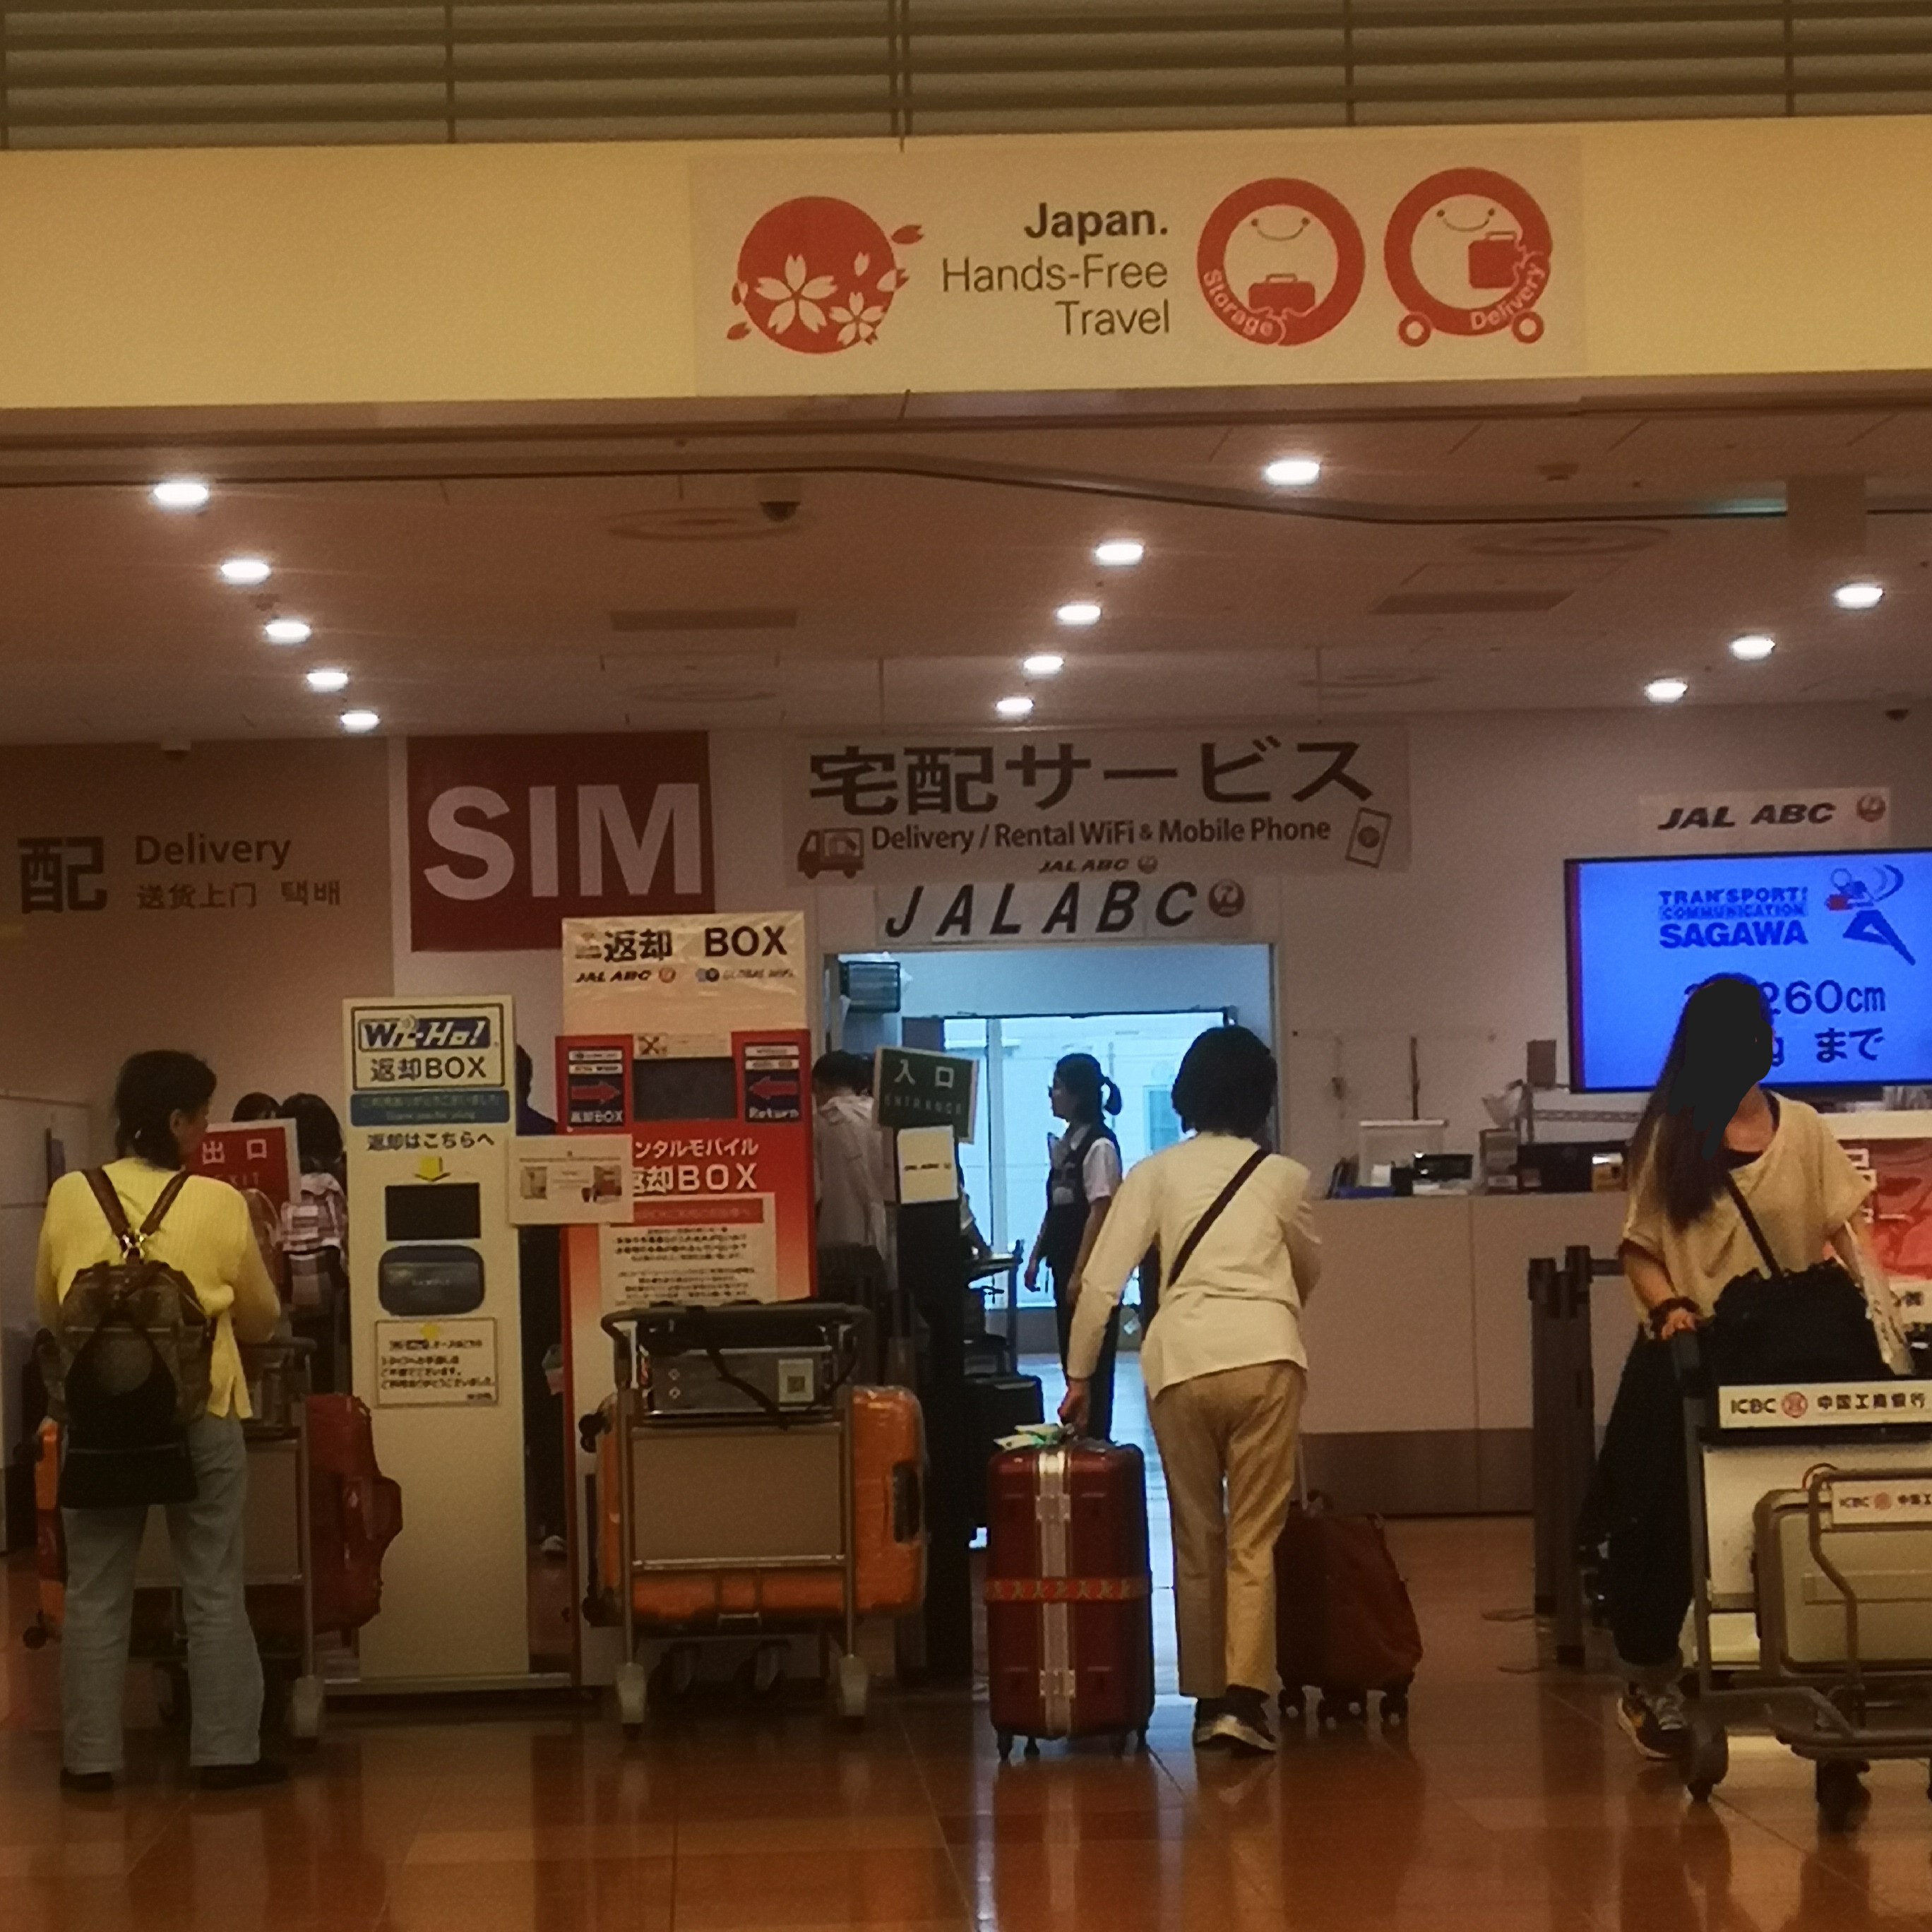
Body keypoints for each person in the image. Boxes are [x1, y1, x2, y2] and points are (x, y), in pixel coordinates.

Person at [1609, 974, 1891, 1760]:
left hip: (1799, 1357)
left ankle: (1820, 1663)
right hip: (1702, 1357)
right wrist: (1670, 1311)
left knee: (1810, 1509)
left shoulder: (1801, 1128)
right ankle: (1653, 1675)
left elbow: (1848, 1233)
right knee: (1669, 1521)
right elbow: (1641, 1249)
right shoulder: (1674, 1136)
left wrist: (1882, 1311)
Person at [1061, 1025, 1319, 1757]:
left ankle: (1208, 1701)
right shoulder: (1282, 1177)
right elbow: (1308, 1272)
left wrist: (1079, 1377)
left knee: (1196, 1533)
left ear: (1186, 1093)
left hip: (1181, 1363)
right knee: (1255, 1537)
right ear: (1261, 1099)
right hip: (1266, 1358)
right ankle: (1248, 1699)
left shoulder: (1154, 1174)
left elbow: (1100, 1284)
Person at [35, 1050, 285, 1792]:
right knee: (211, 1582)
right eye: (203, 1115)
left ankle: (90, 1760)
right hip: (201, 1407)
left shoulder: (71, 1195)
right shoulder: (218, 1201)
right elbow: (261, 1318)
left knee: (96, 1588)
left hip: (102, 1420)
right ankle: (225, 1753)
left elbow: (52, 1307)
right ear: (175, 1121)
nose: (207, 1128)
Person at [1025, 1052, 1126, 1441]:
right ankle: (1080, 1437)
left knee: (1093, 1363)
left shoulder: (1100, 1146)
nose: (1052, 1095)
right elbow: (1056, 1206)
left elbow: (1100, 1211)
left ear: (1078, 1095)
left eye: (1058, 1088)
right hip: (1063, 1263)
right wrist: (1036, 1256)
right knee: (1072, 1356)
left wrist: (1082, 1272)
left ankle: (1097, 1438)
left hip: (1089, 1272)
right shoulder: (1067, 1145)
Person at [514, 1046, 567, 1560]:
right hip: (549, 1293)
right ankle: (556, 1521)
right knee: (551, 1409)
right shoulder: (554, 1136)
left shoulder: (469, 1143)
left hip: (486, 1295)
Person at [280, 1092, 349, 1393]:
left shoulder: (272, 1182)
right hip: (329, 1296)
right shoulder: (336, 1183)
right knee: (328, 1374)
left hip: (282, 1297)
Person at [813, 1051, 889, 1258]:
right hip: (887, 1240)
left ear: (818, 1086)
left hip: (839, 1242)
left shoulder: (819, 1124)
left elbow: (814, 1193)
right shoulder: (881, 1116)